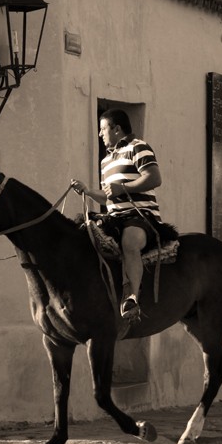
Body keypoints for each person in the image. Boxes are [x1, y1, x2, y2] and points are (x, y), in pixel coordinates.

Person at [71, 109, 163, 319]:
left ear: (117, 128)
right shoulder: (106, 162)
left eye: (103, 129)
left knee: (130, 242)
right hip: (115, 218)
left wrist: (123, 187)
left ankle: (131, 297)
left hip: (141, 216)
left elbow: (154, 178)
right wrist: (87, 191)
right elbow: (108, 197)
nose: (101, 134)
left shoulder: (138, 147)